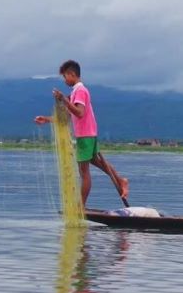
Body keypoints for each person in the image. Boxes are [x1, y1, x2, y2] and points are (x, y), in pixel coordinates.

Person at [35, 60, 129, 207]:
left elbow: (79, 113)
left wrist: (64, 100)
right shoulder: (75, 93)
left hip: (85, 135)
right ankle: (120, 180)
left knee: (84, 172)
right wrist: (46, 119)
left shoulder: (80, 91)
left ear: (72, 74)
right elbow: (66, 117)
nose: (65, 80)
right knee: (97, 162)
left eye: (65, 77)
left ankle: (80, 207)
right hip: (87, 134)